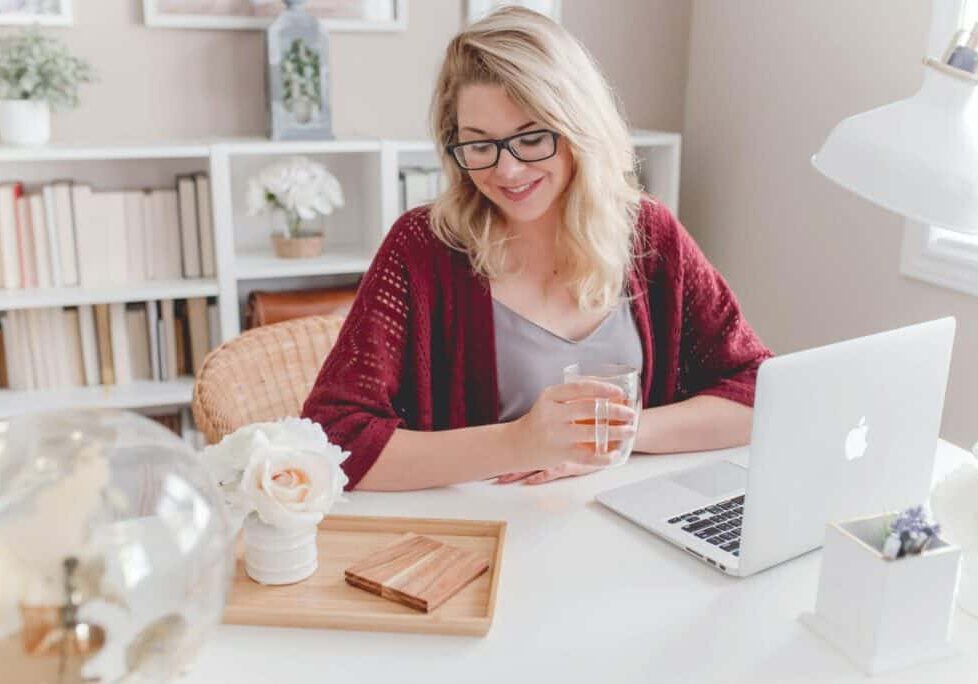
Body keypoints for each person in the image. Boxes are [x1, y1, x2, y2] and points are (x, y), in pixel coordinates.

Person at [301, 7, 772, 491]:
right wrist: (520, 442)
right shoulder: (423, 248)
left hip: (623, 525)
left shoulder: (649, 234)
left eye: (531, 138)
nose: (506, 171)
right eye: (479, 144)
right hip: (482, 537)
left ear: (578, 129)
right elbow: (333, 440)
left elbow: (760, 391)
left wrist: (615, 436)